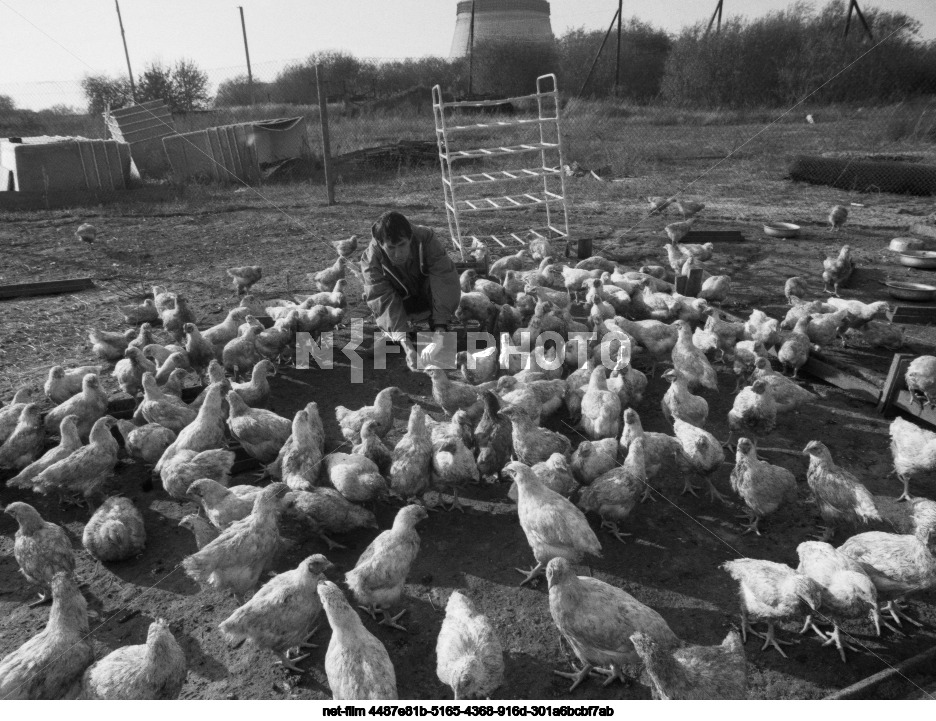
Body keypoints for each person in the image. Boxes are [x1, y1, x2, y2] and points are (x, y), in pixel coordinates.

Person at [361, 211, 461, 370]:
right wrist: (408, 348)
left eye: (402, 245)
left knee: (441, 281)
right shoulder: (370, 260)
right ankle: (396, 333)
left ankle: (438, 327)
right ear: (380, 244)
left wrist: (440, 330)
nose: (398, 254)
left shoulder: (426, 238)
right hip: (400, 302)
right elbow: (383, 299)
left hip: (427, 297)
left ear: (410, 238)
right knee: (375, 299)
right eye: (391, 248)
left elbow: (444, 280)